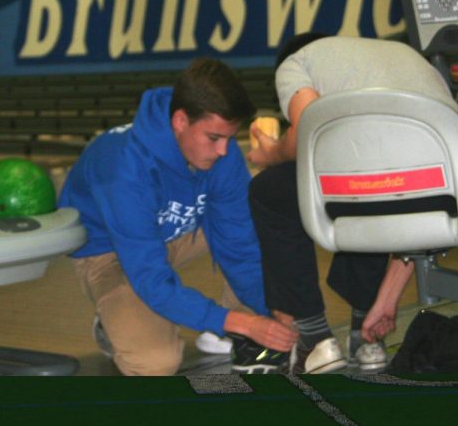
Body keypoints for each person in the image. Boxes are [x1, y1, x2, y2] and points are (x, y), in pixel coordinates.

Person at [246, 34, 458, 374]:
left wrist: (270, 154)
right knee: (366, 178)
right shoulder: (404, 55)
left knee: (271, 191)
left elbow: (304, 132)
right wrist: (387, 301)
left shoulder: (295, 64)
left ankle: (315, 338)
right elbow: (410, 209)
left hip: (387, 183)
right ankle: (367, 335)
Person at [58, 58, 297, 376]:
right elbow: (151, 277)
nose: (224, 151)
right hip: (111, 253)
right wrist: (241, 321)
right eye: (214, 138)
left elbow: (241, 247)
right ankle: (112, 321)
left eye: (230, 137)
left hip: (176, 232)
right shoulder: (122, 168)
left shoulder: (220, 152)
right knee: (156, 363)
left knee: (263, 209)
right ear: (180, 121)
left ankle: (231, 329)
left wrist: (274, 309)